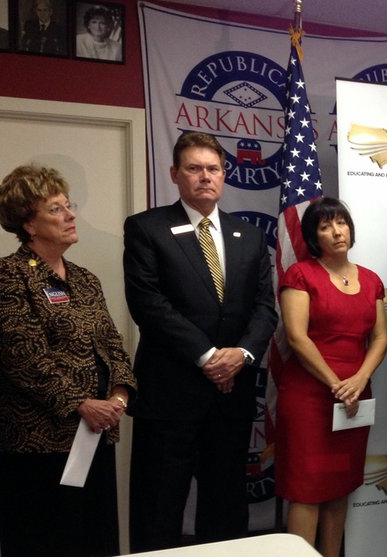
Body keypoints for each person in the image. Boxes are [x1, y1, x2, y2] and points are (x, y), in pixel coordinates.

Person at [124, 131, 277, 552]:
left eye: (213, 169)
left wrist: (241, 355)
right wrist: (209, 357)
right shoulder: (146, 228)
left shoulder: (249, 235)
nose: (204, 177)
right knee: (159, 506)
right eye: (193, 168)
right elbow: (148, 305)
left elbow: (265, 309)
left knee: (226, 507)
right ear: (175, 174)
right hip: (171, 395)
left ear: (225, 175)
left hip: (231, 397)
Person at [0, 164, 136, 557]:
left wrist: (118, 399)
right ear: (28, 224)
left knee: (96, 539)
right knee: (44, 542)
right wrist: (82, 404)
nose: (71, 215)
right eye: (56, 209)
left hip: (95, 435)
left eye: (67, 205)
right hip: (36, 446)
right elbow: (21, 355)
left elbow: (112, 345)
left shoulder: (85, 278)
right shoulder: (6, 276)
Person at [277, 197, 387, 557]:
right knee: (307, 489)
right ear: (313, 236)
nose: (336, 231)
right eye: (325, 226)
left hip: (355, 398)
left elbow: (381, 338)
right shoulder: (301, 275)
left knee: (339, 485)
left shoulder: (371, 280)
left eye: (341, 222)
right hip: (310, 397)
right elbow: (296, 337)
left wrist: (359, 379)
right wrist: (336, 384)